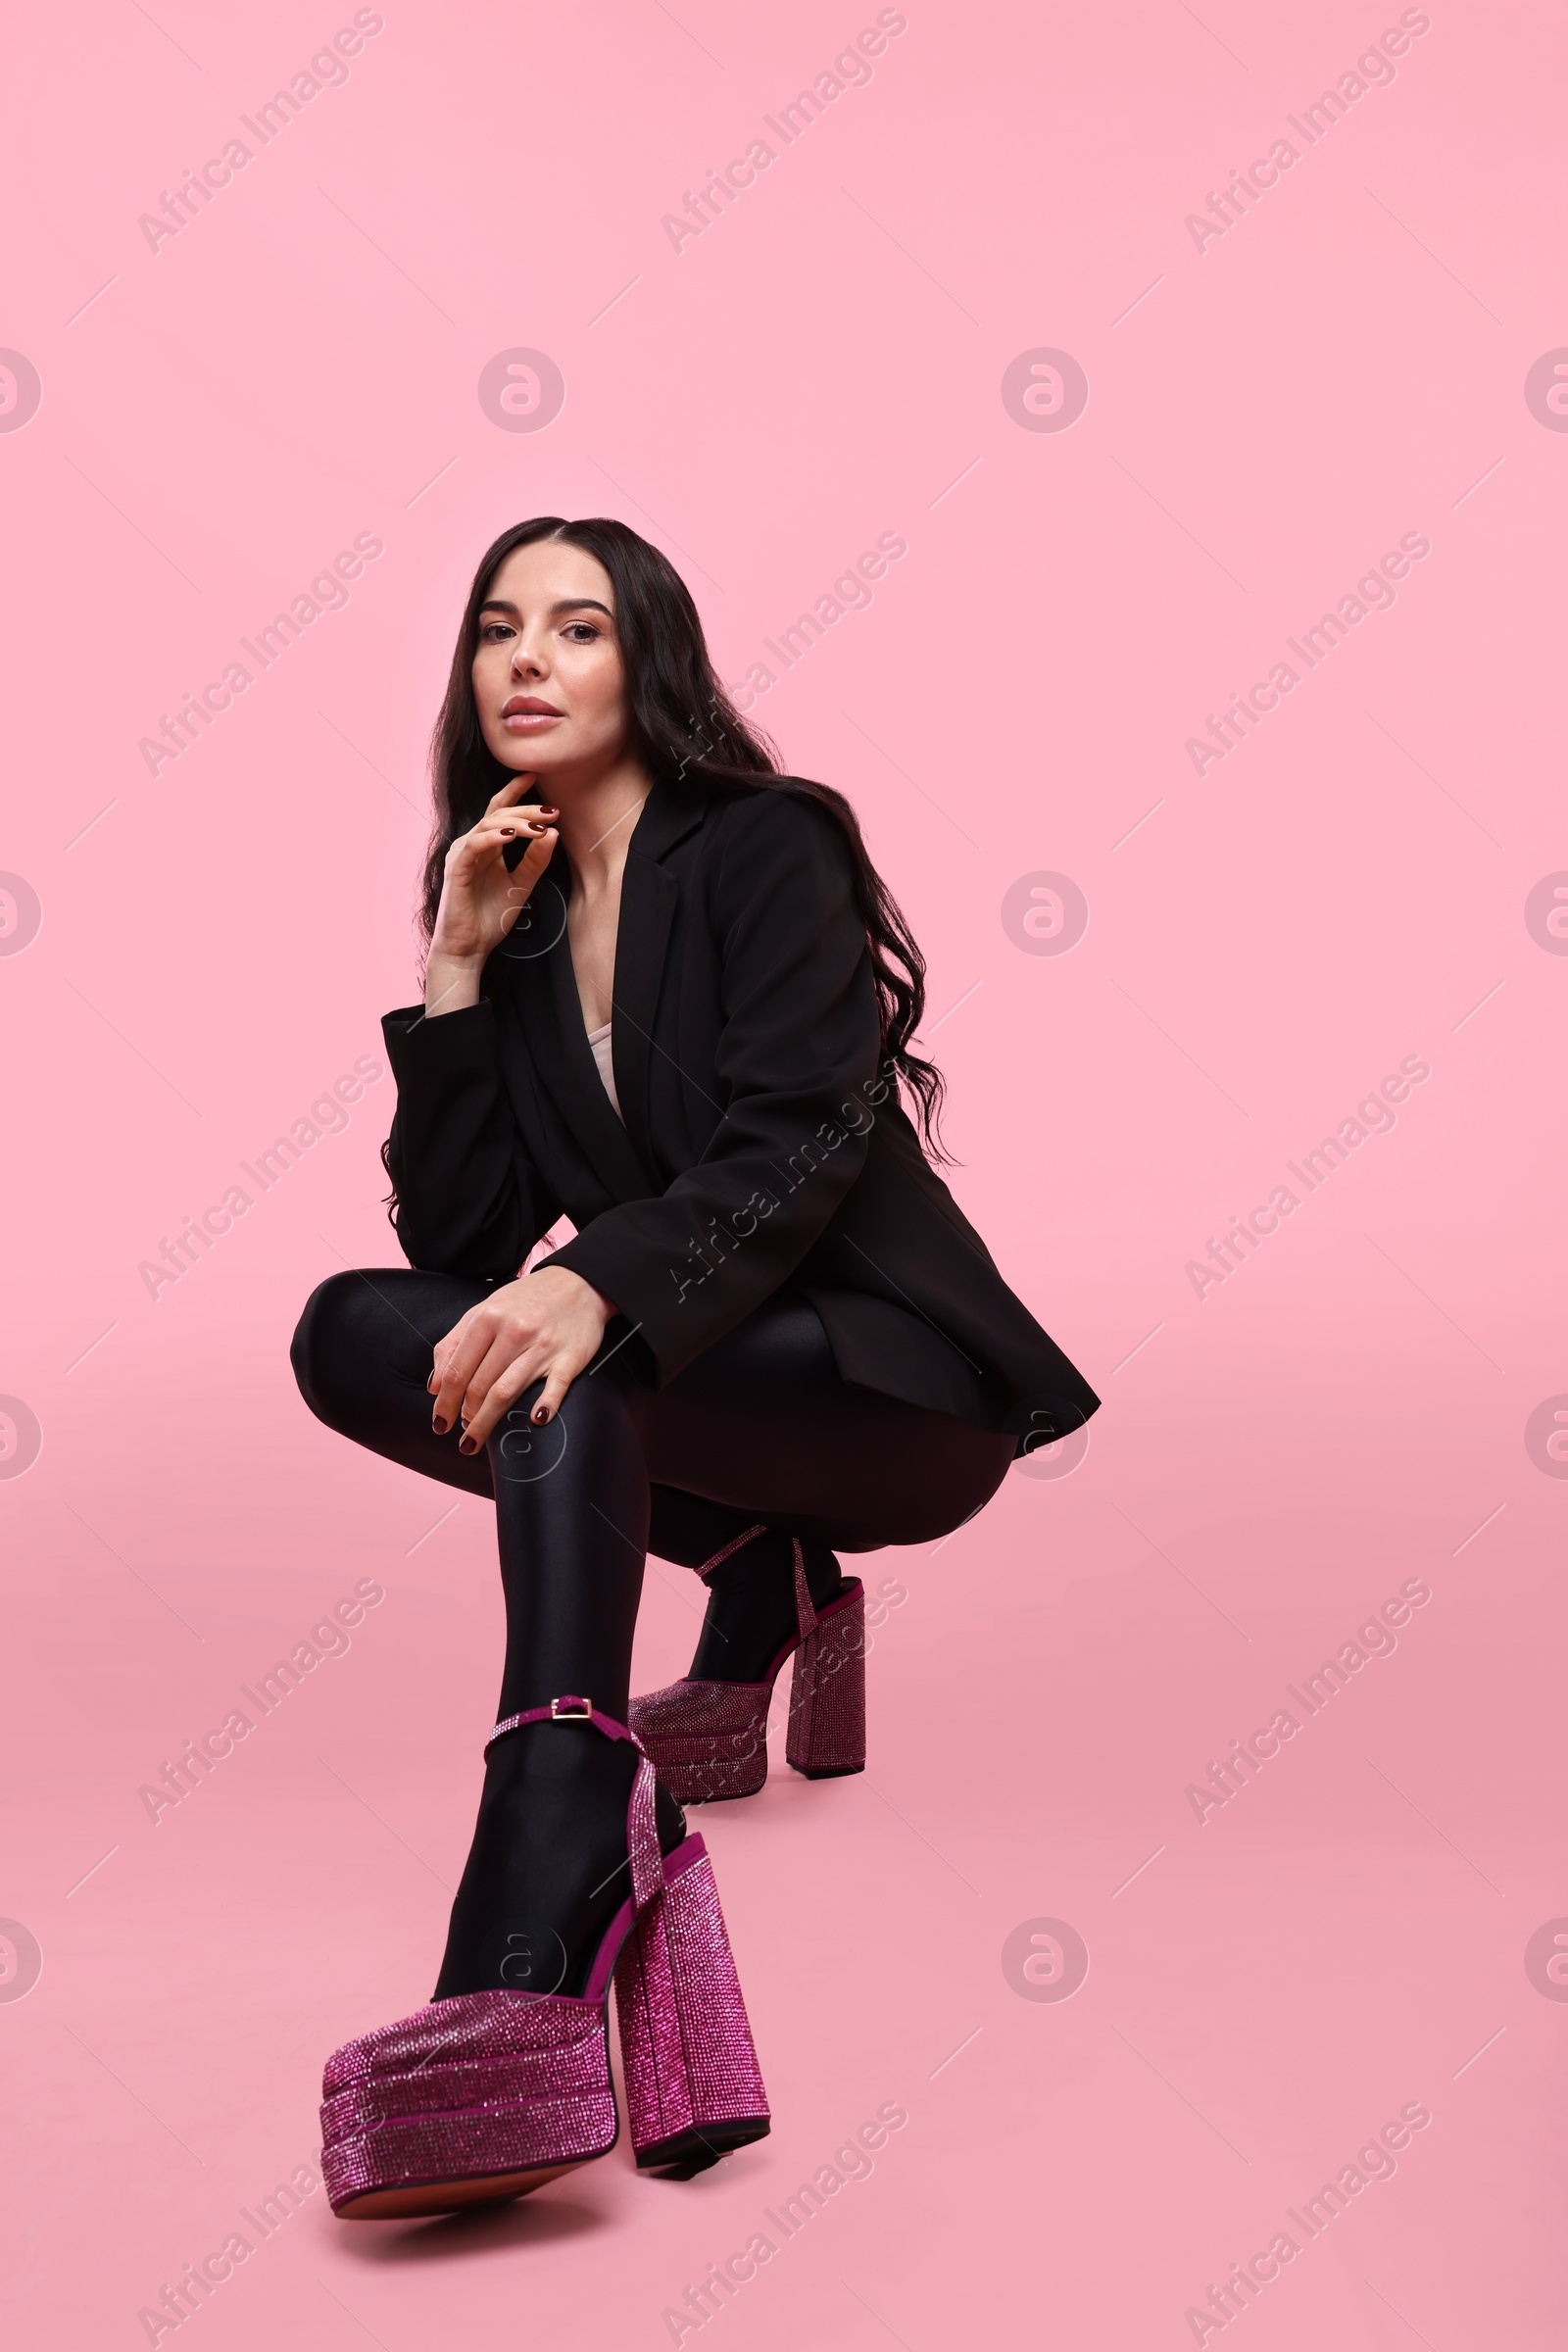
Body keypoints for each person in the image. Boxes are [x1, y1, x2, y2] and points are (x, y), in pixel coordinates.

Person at [291, 515, 1099, 2218]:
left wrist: (593, 1286)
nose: (526, 660)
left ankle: (559, 1811)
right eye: (497, 629)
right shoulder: (510, 916)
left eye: (576, 630)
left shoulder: (764, 845)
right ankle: (754, 1579)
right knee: (350, 1330)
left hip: (887, 1396)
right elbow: (456, 1257)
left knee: (572, 1363)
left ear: (647, 666)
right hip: (693, 1380)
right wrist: (448, 970)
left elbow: (803, 1144)